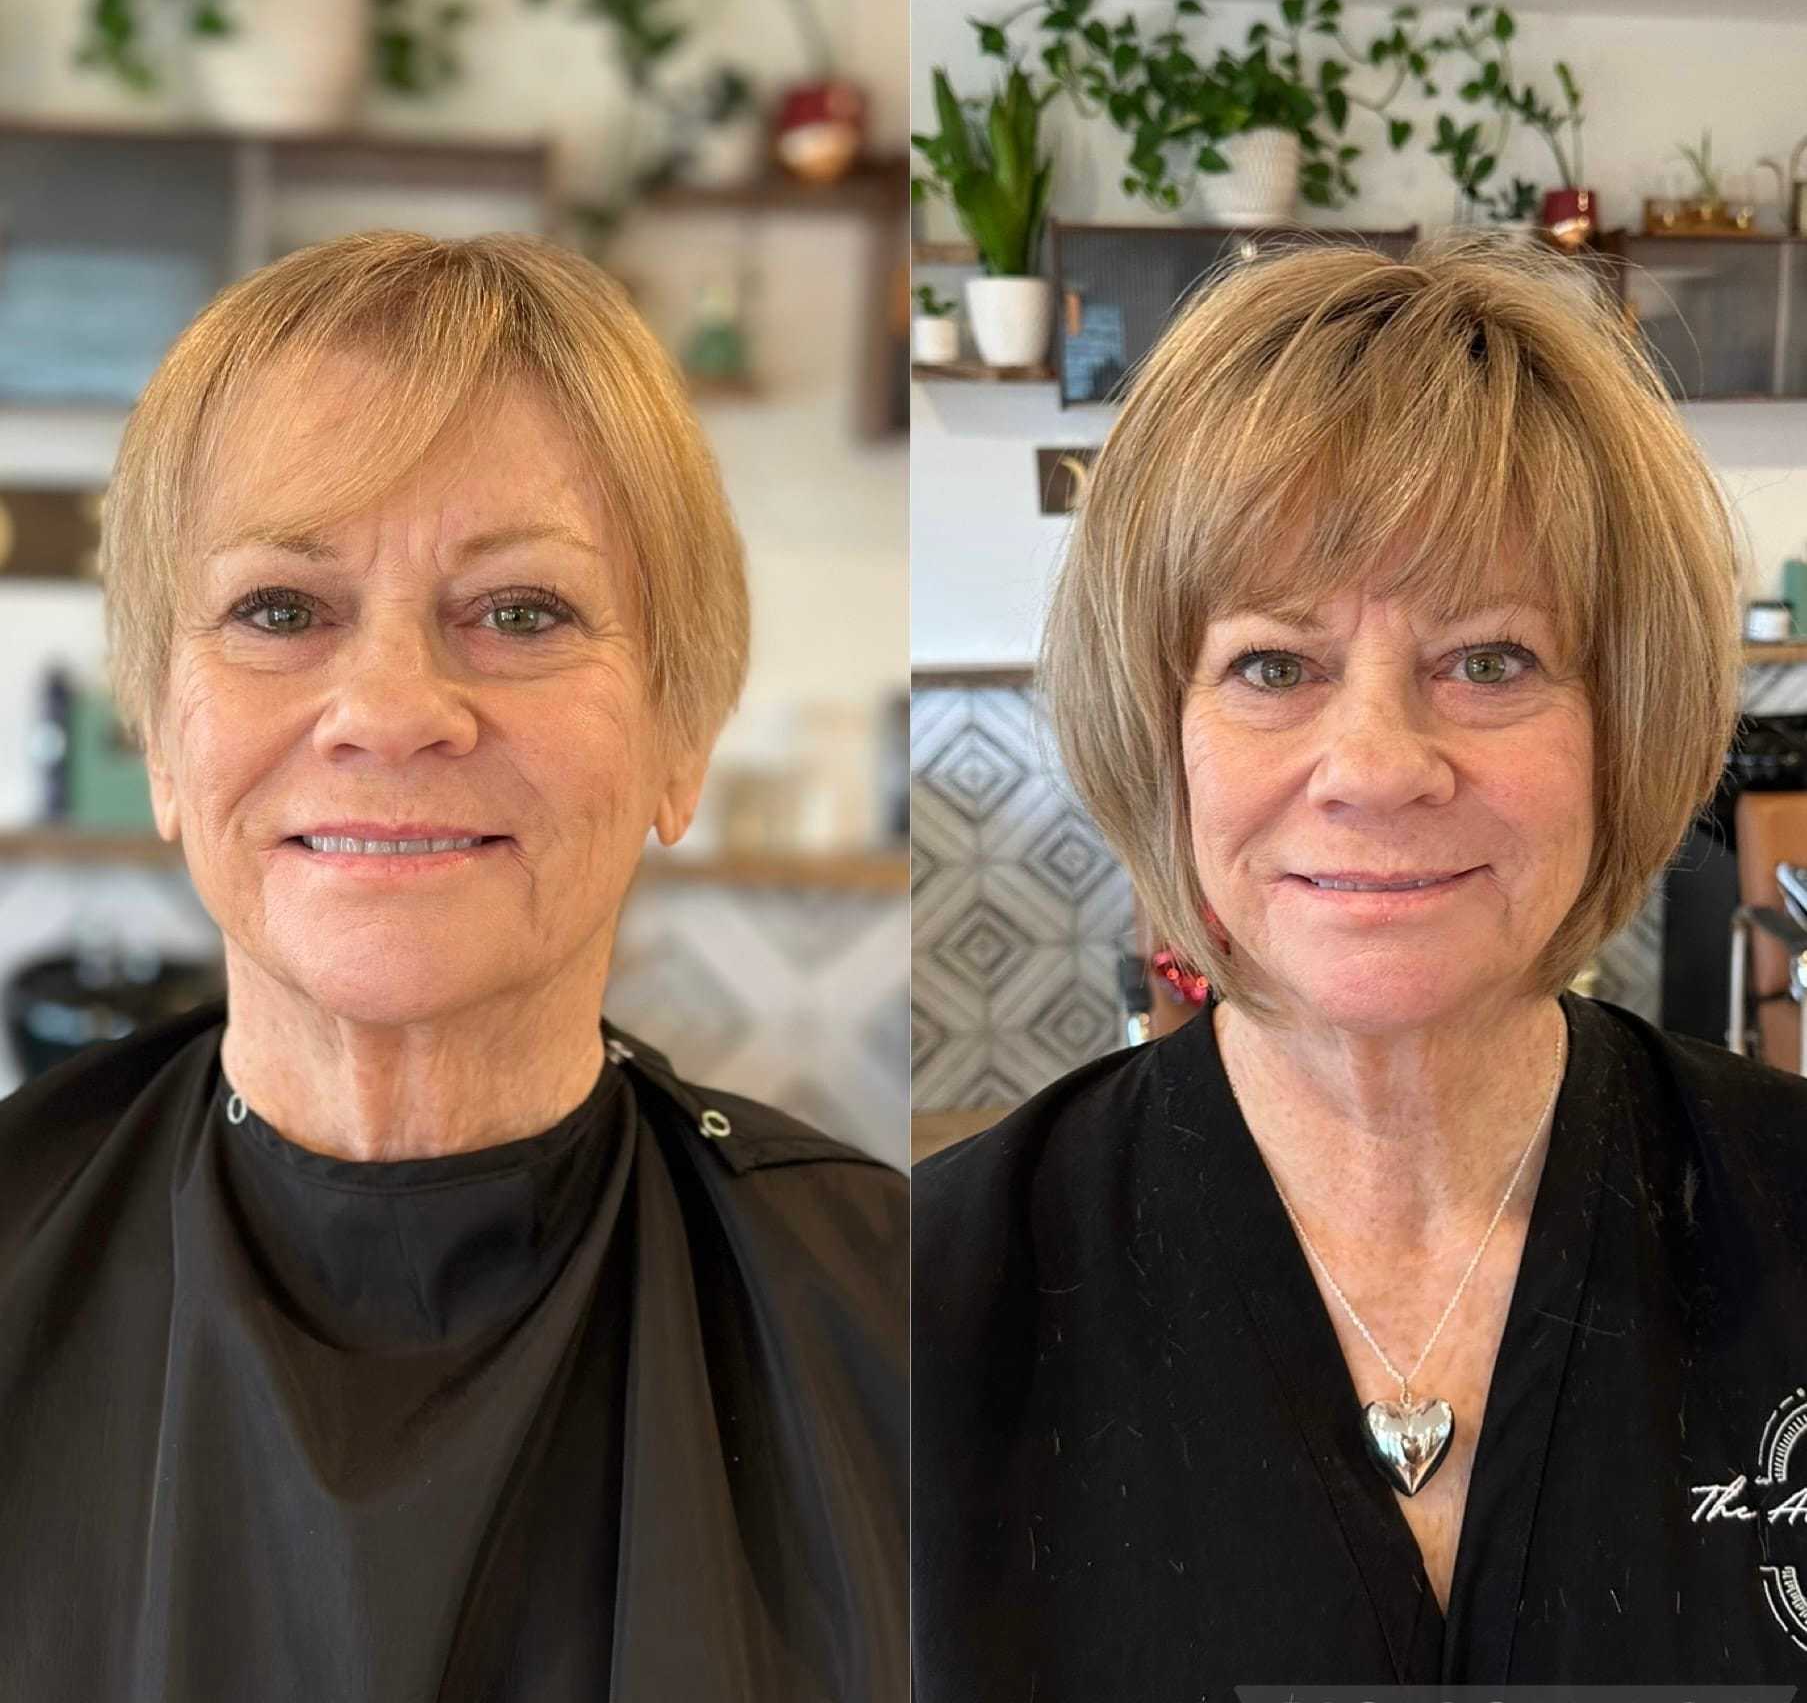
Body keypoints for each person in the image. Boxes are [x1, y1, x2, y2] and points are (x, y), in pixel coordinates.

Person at [0, 230, 906, 1703]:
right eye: (281, 611)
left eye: (522, 613)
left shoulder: (913, 1328)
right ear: (161, 739)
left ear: (681, 736)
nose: (392, 709)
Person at [912, 230, 1807, 1694]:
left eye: (1491, 660)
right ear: (1163, 727)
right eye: (1275, 664)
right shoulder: (918, 1305)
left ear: (1618, 723)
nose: (1380, 765)